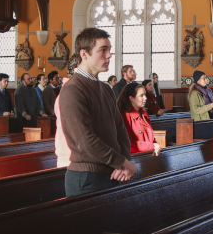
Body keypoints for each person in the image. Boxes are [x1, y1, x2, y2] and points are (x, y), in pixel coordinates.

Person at [59, 28, 135, 197]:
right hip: (87, 178)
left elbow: (120, 130)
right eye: (103, 50)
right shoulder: (72, 90)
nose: (109, 55)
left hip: (114, 173)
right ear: (84, 54)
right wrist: (121, 162)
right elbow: (85, 141)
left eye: (109, 50)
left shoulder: (106, 88)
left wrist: (124, 162)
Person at [117, 82, 161, 156]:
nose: (145, 98)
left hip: (148, 156)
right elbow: (127, 144)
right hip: (134, 159)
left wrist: (156, 145)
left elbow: (150, 137)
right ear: (131, 98)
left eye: (145, 95)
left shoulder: (144, 114)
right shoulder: (125, 116)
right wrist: (151, 146)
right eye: (141, 95)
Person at [55, 55, 79, 169]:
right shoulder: (69, 94)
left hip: (78, 158)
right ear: (76, 69)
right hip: (71, 158)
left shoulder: (76, 92)